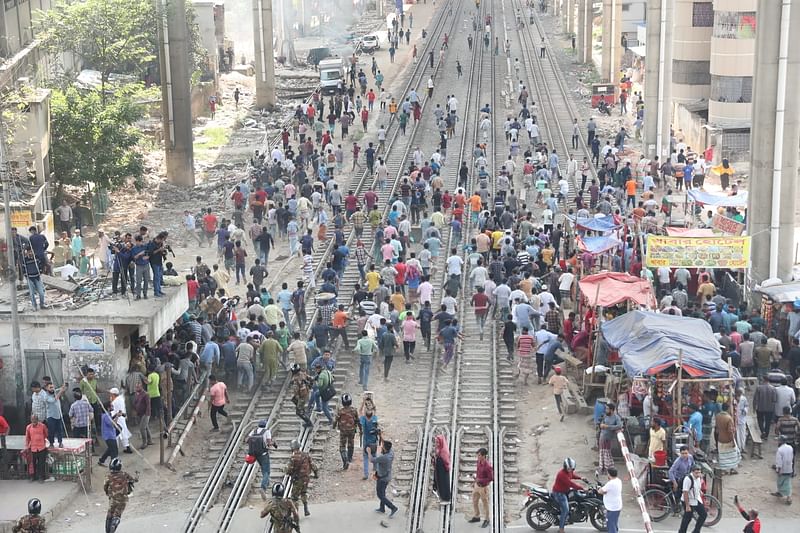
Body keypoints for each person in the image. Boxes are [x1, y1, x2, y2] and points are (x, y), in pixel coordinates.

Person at [103, 458, 137, 533]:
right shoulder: (125, 474)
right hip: (123, 499)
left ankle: (107, 530)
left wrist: (108, 494)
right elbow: (132, 480)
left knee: (110, 514)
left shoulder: (108, 476)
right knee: (117, 514)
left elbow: (105, 486)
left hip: (113, 499)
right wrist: (136, 477)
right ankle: (114, 525)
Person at [551, 457, 585, 533]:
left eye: (571, 469)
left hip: (565, 490)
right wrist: (582, 488)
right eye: (569, 469)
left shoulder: (569, 471)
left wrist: (581, 478)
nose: (570, 470)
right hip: (559, 493)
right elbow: (571, 484)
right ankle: (561, 529)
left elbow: (572, 475)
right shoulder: (562, 474)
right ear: (565, 467)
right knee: (565, 510)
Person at [286, 439, 318, 516]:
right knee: (303, 493)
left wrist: (286, 471)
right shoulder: (306, 455)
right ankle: (306, 508)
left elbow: (289, 470)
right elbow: (313, 465)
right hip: (306, 478)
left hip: (298, 479)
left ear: (292, 448)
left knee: (294, 497)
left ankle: (295, 514)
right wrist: (316, 474)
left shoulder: (293, 457)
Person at [369, 439, 398, 517]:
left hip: (382, 478)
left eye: (382, 447)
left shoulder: (384, 458)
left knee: (380, 495)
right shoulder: (391, 453)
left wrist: (369, 452)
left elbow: (372, 460)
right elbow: (385, 444)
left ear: (385, 449)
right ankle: (382, 508)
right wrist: (380, 435)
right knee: (383, 493)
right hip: (387, 476)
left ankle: (393, 507)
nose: (381, 448)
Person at [249, 419, 277, 500]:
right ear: (265, 425)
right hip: (263, 454)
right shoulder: (266, 431)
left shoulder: (254, 431)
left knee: (263, 468)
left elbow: (247, 440)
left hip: (255, 455)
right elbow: (269, 443)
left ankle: (266, 482)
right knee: (266, 472)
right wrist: (274, 443)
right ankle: (263, 488)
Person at [333, 393, 360, 470]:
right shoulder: (354, 410)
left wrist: (334, 427)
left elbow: (335, 420)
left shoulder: (340, 411)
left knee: (342, 445)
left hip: (343, 431)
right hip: (352, 430)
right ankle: (349, 458)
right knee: (351, 443)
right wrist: (361, 430)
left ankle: (345, 461)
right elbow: (358, 421)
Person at [468, 447, 493, 528]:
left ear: (484, 456)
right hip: (477, 486)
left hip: (483, 487)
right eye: (477, 455)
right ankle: (477, 516)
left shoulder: (488, 466)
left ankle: (487, 519)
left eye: (479, 455)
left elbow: (491, 478)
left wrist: (480, 480)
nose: (477, 456)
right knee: (474, 501)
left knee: (485, 504)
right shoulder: (478, 462)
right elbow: (478, 472)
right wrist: (475, 481)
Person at [678, 464, 707, 533]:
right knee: (687, 518)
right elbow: (685, 493)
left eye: (699, 473)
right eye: (696, 473)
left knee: (703, 514)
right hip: (688, 500)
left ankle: (696, 531)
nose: (698, 474)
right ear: (692, 472)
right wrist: (687, 506)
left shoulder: (699, 478)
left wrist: (700, 492)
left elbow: (697, 486)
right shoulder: (688, 479)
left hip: (696, 499)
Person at [714, 403, 740, 474]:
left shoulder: (717, 416)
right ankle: (732, 469)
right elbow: (730, 431)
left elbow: (716, 429)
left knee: (722, 456)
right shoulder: (729, 418)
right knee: (733, 455)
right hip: (728, 439)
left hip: (720, 439)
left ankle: (723, 470)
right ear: (728, 408)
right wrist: (733, 441)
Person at [598, 402, 622, 473]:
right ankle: (602, 468)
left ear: (611, 410)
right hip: (602, 436)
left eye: (607, 409)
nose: (606, 410)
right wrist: (602, 425)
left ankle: (607, 468)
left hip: (608, 438)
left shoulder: (616, 417)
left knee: (606, 453)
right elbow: (601, 423)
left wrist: (608, 427)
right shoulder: (605, 416)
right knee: (602, 452)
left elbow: (619, 426)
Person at [24, 415, 49, 481]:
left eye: (35, 419)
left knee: (41, 464)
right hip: (33, 448)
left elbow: (46, 434)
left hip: (41, 447)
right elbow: (27, 438)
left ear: (37, 420)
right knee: (32, 464)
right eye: (33, 420)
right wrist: (27, 446)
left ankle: (41, 477)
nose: (34, 421)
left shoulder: (42, 426)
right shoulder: (28, 427)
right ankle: (33, 477)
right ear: (31, 420)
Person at [598, 467, 622, 533]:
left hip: (612, 508)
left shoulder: (611, 483)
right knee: (614, 524)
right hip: (617, 506)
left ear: (609, 474)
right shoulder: (618, 481)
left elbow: (600, 491)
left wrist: (600, 489)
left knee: (611, 526)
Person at [432, 434, 452, 504]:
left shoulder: (444, 451)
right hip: (439, 469)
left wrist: (446, 468)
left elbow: (446, 461)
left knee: (444, 483)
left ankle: (446, 499)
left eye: (438, 442)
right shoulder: (439, 449)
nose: (436, 444)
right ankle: (442, 498)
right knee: (440, 483)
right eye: (436, 442)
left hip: (443, 469)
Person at [775, 434, 794, 504]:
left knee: (781, 482)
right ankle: (783, 494)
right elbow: (791, 458)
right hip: (789, 468)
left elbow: (779, 461)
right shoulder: (790, 447)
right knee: (787, 482)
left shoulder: (780, 450)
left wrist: (779, 469)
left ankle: (787, 496)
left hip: (782, 469)